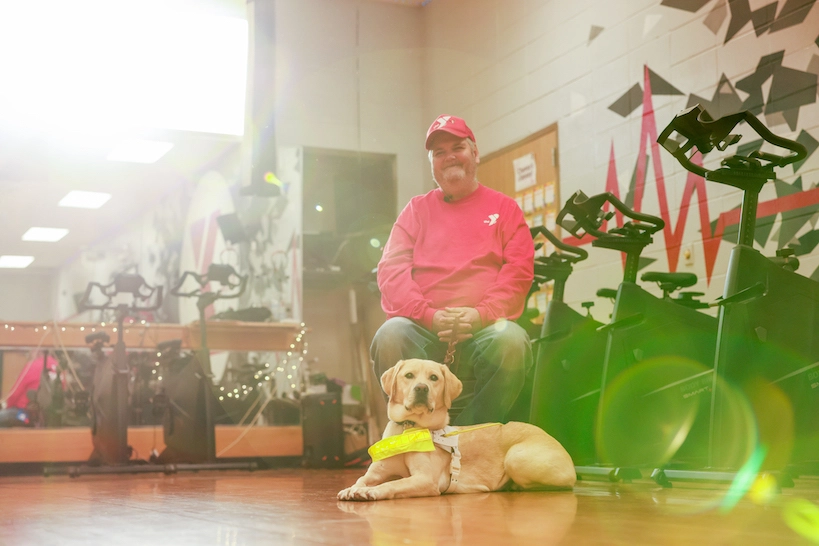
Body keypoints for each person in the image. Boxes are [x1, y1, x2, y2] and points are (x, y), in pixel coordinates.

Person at [370, 114, 534, 425]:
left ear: (475, 153)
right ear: (432, 163)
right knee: (390, 334)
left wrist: (482, 313)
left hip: (484, 329)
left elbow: (519, 271)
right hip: (425, 329)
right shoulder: (416, 211)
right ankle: (410, 436)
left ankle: (468, 440)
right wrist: (428, 315)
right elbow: (391, 271)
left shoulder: (505, 209)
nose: (449, 157)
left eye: (457, 147)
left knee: (512, 341)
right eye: (439, 153)